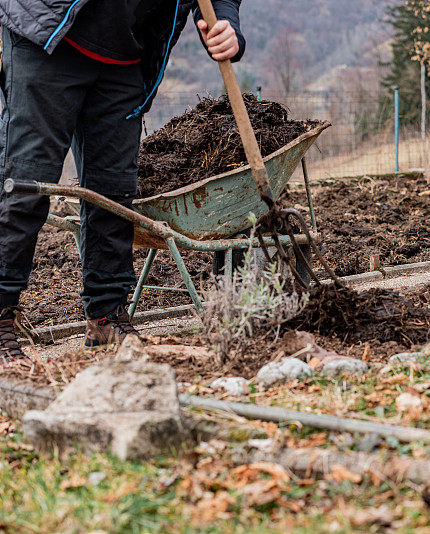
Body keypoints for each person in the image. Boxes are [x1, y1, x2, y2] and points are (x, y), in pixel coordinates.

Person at [0, 0, 246, 362]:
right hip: (49, 34)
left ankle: (106, 314)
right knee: (25, 182)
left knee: (114, 191)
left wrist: (226, 21)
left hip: (126, 56)